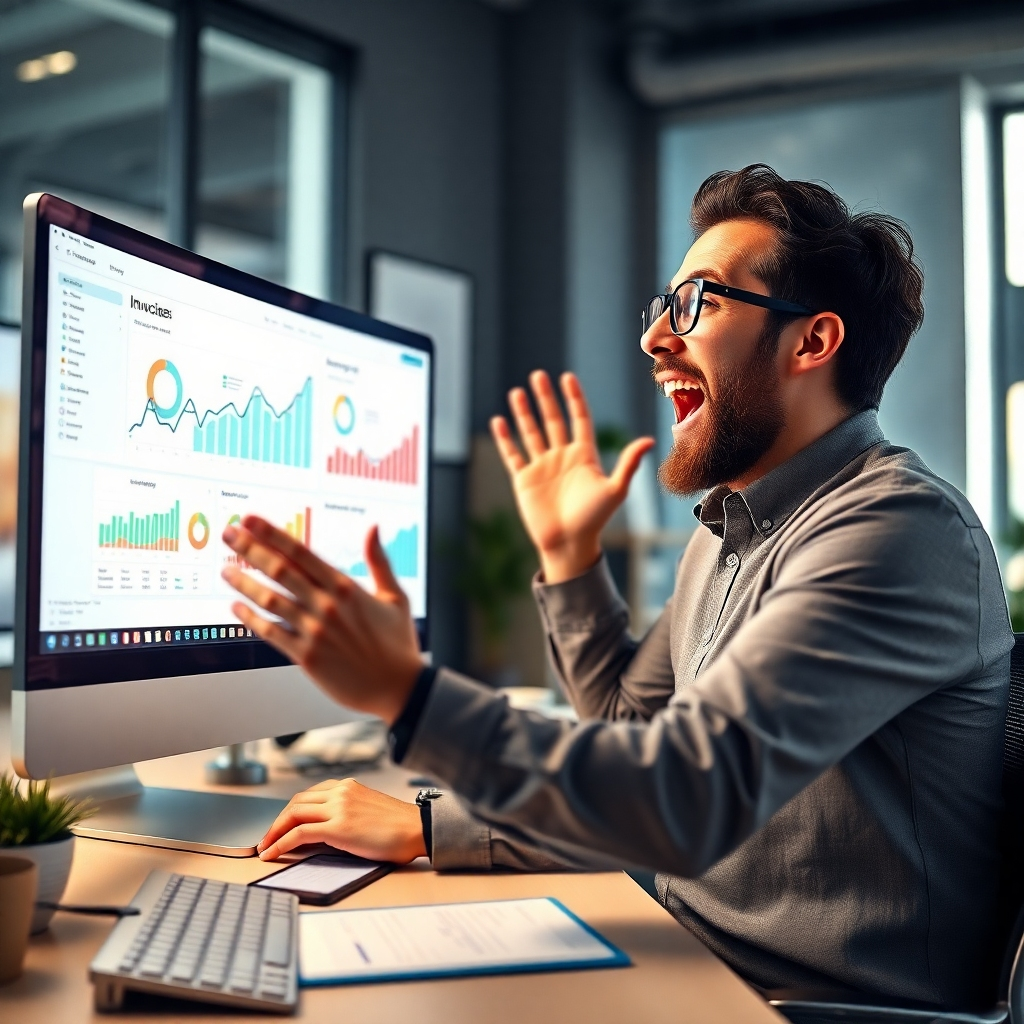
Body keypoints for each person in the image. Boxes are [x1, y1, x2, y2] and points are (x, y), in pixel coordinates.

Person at [221, 164, 1012, 1010]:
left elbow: (682, 796)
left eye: (698, 302)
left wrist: (413, 706)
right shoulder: (735, 529)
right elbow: (629, 739)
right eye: (662, 307)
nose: (654, 340)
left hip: (799, 1005)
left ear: (811, 343)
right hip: (689, 956)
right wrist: (569, 558)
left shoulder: (896, 532)